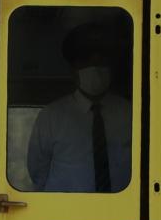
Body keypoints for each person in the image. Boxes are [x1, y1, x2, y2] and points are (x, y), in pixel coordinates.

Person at [26, 22, 131, 192]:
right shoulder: (52, 115)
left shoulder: (130, 113)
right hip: (65, 212)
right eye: (86, 62)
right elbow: (38, 169)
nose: (95, 68)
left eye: (102, 61)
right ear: (74, 70)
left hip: (123, 211)